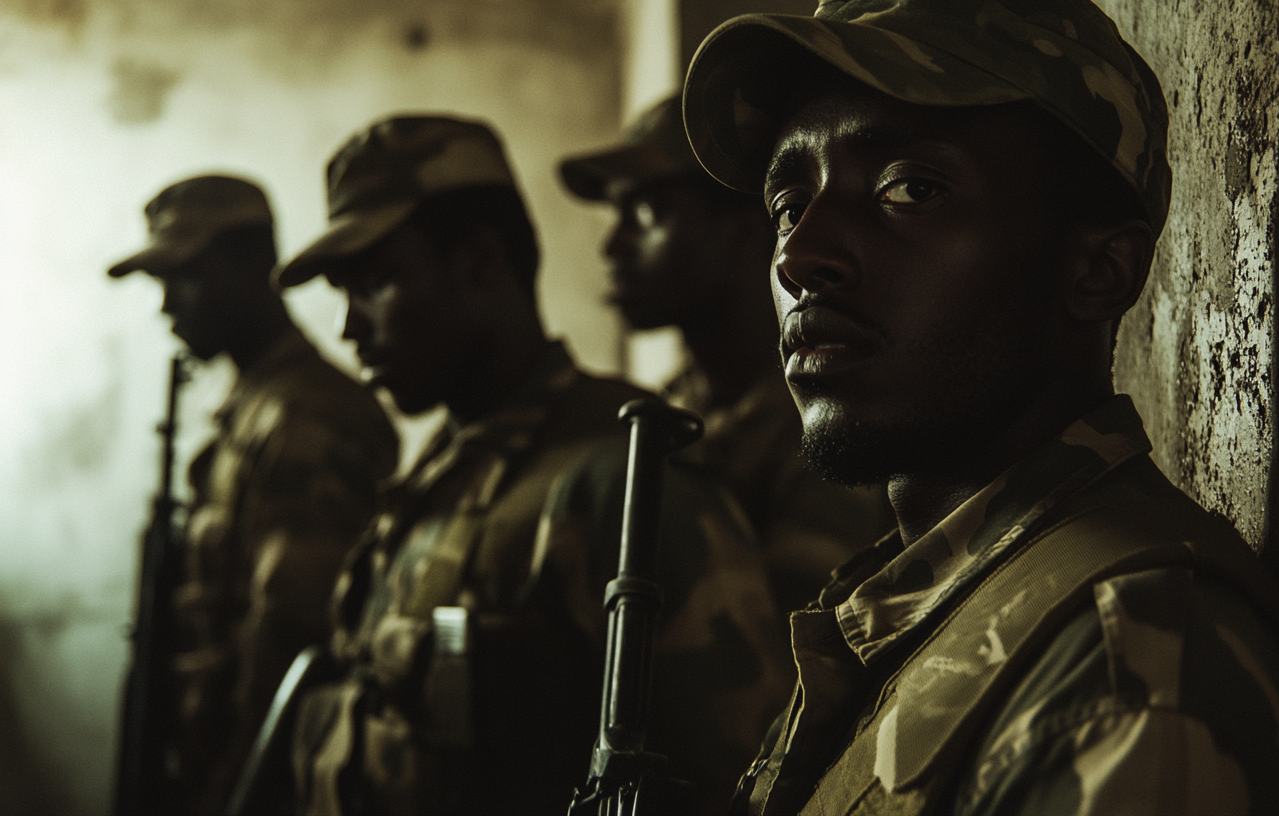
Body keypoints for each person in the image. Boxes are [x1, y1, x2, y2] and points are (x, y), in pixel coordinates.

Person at [678, 1, 1279, 813]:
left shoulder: (1125, 675)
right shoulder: (922, 605)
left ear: (1099, 270)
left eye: (910, 188)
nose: (799, 255)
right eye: (788, 203)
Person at [275, 115, 791, 816]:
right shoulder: (447, 468)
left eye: (377, 283)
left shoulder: (625, 478)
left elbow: (730, 781)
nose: (351, 329)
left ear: (482, 263)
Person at [108, 175, 399, 815]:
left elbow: (293, 651)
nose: (167, 306)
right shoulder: (256, 409)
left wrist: (234, 797)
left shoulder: (306, 418)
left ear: (251, 265)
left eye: (183, 277)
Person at [560, 96, 894, 617]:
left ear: (740, 230)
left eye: (645, 215)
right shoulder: (674, 406)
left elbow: (791, 651)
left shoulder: (825, 417)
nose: (612, 247)